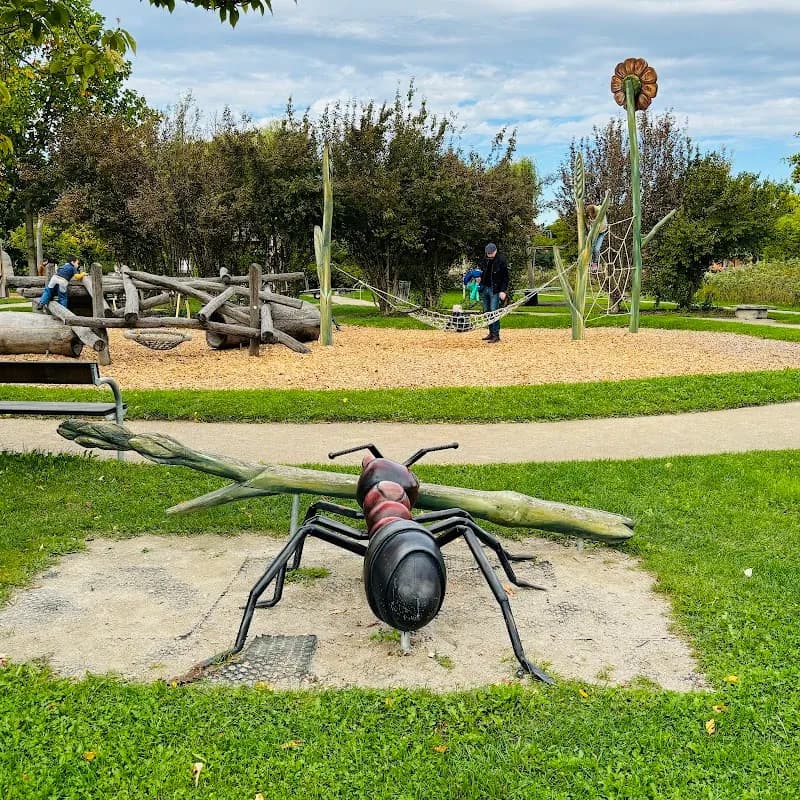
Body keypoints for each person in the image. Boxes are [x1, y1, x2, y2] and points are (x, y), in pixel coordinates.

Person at [476, 242, 508, 343]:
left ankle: (496, 335)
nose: (489, 255)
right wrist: (479, 278)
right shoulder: (485, 260)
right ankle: (490, 333)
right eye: (488, 253)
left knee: (494, 311)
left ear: (495, 251)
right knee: (487, 311)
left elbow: (505, 278)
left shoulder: (501, 261)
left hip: (495, 290)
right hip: (485, 288)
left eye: (491, 253)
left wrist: (503, 291)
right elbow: (482, 272)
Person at [585, 204, 609, 272]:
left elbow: (605, 205)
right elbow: (588, 222)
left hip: (601, 232)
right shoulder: (589, 216)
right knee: (590, 247)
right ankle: (590, 263)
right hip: (594, 233)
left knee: (596, 249)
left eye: (591, 215)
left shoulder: (600, 210)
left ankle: (595, 263)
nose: (591, 217)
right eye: (589, 216)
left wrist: (607, 194)